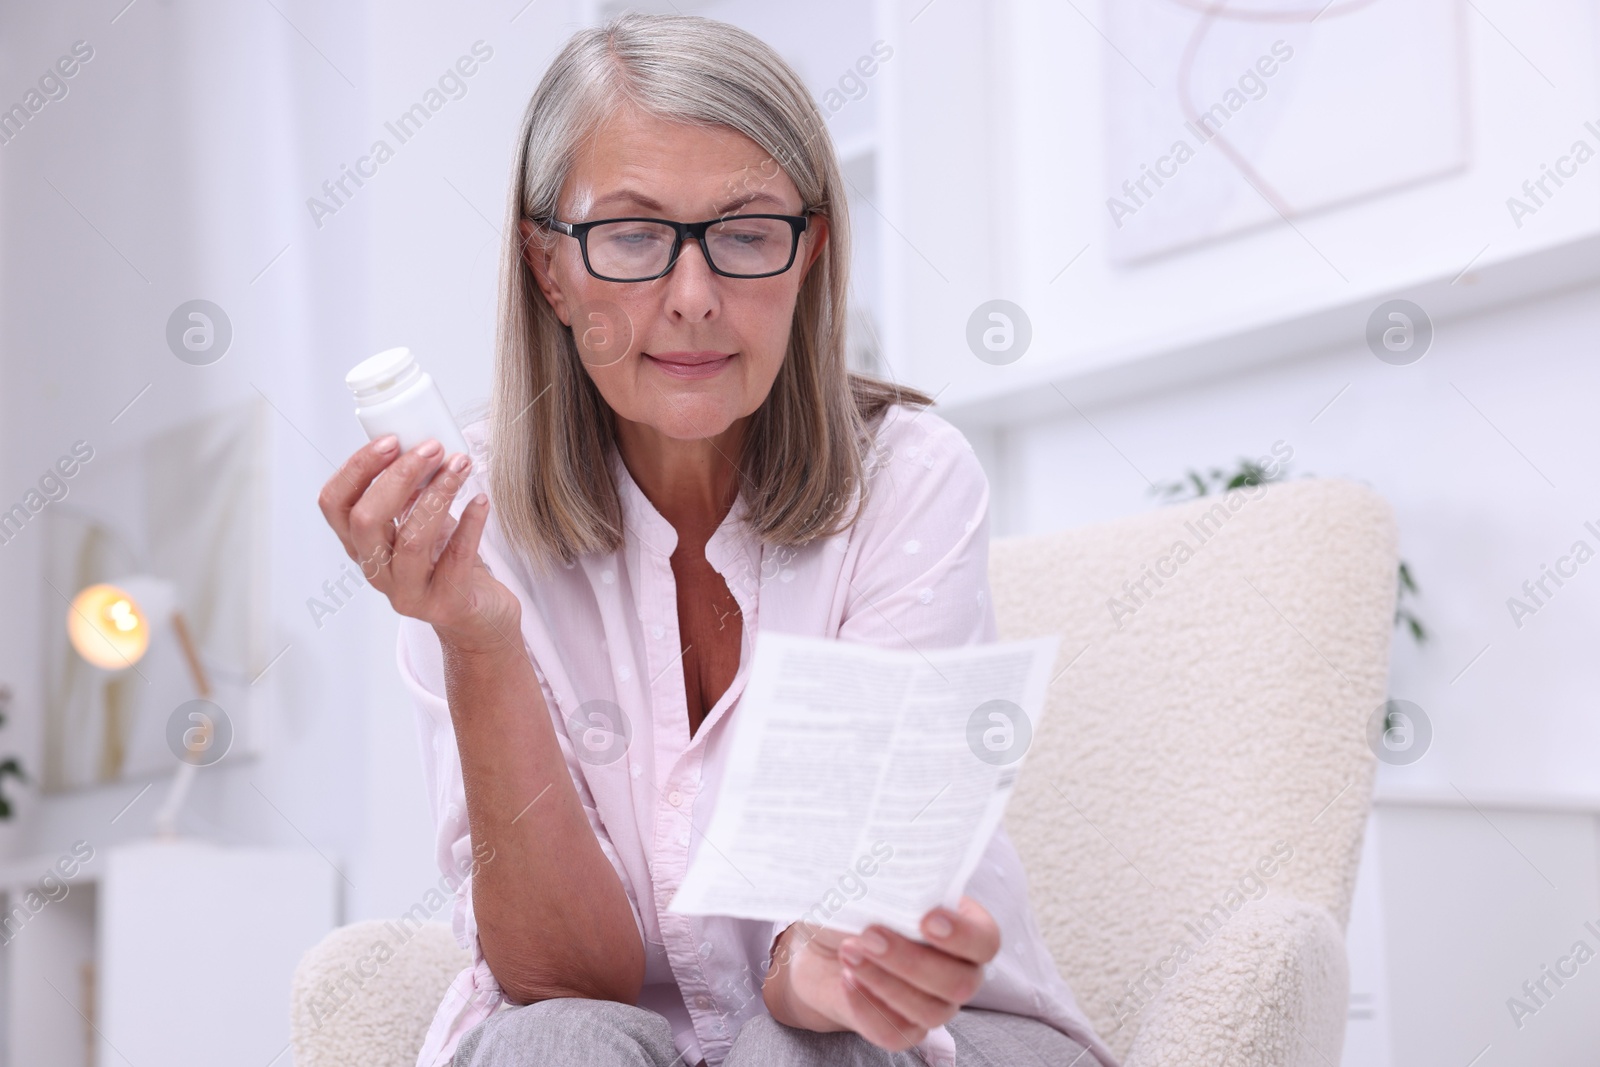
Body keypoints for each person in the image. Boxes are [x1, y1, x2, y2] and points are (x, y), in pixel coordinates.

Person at [316, 13, 1117, 1067]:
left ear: (809, 251)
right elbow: (570, 977)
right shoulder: (468, 524)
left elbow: (823, 950)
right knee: (550, 1045)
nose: (693, 299)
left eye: (744, 235)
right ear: (549, 266)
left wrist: (826, 962)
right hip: (607, 1026)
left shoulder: (907, 479)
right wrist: (477, 638)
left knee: (794, 1052)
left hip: (904, 1033)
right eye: (634, 237)